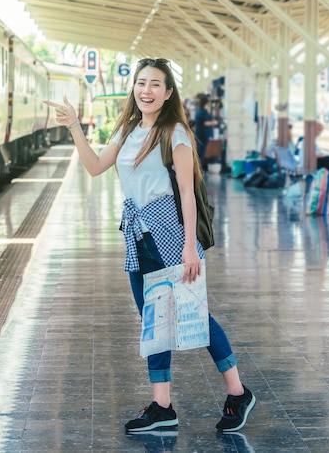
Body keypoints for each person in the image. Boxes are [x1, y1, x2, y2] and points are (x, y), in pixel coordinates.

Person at [43, 58, 256, 434]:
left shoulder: (175, 133)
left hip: (171, 235)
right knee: (153, 322)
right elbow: (94, 167)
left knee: (195, 315)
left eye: (155, 84)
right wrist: (74, 125)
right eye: (141, 83)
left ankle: (238, 392)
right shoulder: (125, 131)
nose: (146, 90)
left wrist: (190, 246)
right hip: (138, 235)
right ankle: (162, 407)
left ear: (168, 92)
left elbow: (188, 194)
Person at [194, 95, 219, 171]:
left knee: (200, 151)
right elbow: (204, 123)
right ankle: (198, 169)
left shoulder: (200, 111)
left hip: (201, 134)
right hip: (202, 134)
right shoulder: (202, 112)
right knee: (200, 152)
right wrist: (213, 122)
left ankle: (198, 168)